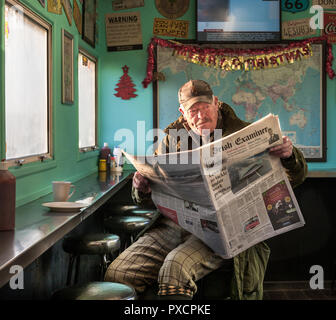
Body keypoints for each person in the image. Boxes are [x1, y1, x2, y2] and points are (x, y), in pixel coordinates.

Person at [104, 79, 307, 300]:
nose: (201, 116)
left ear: (216, 103)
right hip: (172, 226)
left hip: (219, 230)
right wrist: (141, 188)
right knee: (117, 274)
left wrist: (289, 155)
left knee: (175, 269)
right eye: (193, 110)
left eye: (205, 107)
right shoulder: (171, 140)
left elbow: (296, 177)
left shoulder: (247, 133)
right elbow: (145, 201)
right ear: (183, 112)